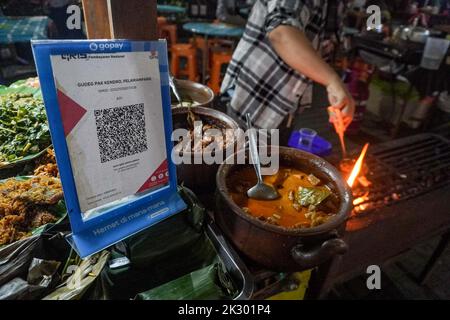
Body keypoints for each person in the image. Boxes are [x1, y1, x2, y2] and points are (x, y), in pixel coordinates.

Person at [220, 0, 355, 143]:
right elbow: (282, 33)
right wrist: (332, 81)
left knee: (269, 160)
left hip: (285, 107)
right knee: (236, 160)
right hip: (251, 98)